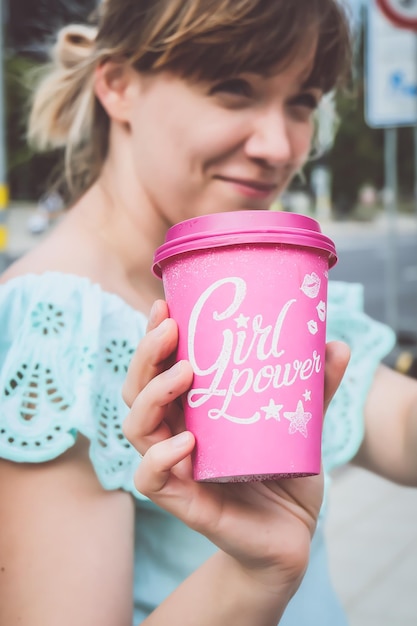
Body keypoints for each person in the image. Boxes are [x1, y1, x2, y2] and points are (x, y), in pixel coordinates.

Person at [0, 1, 414, 624]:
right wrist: (258, 574)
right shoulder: (57, 324)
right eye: (233, 89)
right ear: (117, 85)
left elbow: (402, 428)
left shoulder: (265, 280)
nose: (279, 145)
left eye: (302, 100)